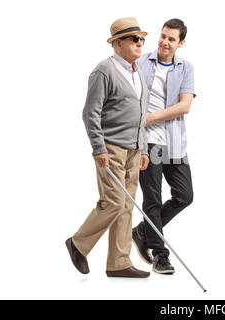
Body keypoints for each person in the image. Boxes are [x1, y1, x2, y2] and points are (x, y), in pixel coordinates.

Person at [65, 17, 151, 278]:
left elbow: (141, 113)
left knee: (127, 205)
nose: (139, 43)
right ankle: (78, 243)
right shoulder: (104, 70)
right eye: (133, 38)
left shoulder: (137, 73)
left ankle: (119, 262)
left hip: (134, 151)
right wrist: (98, 148)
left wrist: (144, 148)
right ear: (117, 43)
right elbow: (90, 113)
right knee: (113, 202)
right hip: (111, 148)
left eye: (141, 39)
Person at [133, 18, 196, 274]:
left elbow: (185, 106)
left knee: (184, 196)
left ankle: (142, 232)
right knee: (153, 198)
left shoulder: (186, 68)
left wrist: (150, 117)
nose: (165, 42)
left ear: (180, 43)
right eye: (163, 36)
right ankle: (160, 254)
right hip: (149, 142)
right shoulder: (140, 63)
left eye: (172, 39)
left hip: (173, 142)